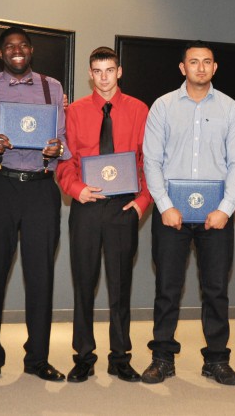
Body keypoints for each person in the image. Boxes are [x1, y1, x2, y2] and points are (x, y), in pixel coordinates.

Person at [0, 26, 70, 383]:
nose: (17, 50)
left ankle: (37, 358)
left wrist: (57, 149)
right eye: (9, 46)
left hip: (42, 189)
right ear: (0, 54)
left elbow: (64, 141)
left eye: (23, 45)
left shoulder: (52, 88)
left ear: (31, 49)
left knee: (40, 276)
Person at [141, 40, 235, 386]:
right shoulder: (163, 107)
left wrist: (226, 209)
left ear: (215, 68)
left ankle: (216, 359)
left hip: (216, 216)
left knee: (215, 288)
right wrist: (165, 205)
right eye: (193, 62)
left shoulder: (231, 109)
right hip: (170, 213)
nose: (200, 67)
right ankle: (162, 357)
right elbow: (151, 161)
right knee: (167, 288)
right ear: (182, 68)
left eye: (207, 62)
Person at [56, 46, 151, 383]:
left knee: (120, 285)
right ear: (90, 74)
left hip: (124, 207)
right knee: (84, 283)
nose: (104, 77)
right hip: (86, 205)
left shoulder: (140, 110)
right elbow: (65, 162)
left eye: (110, 70)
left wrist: (142, 203)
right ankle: (83, 355)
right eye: (98, 71)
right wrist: (75, 188)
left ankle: (120, 356)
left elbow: (150, 163)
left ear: (119, 71)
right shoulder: (75, 112)